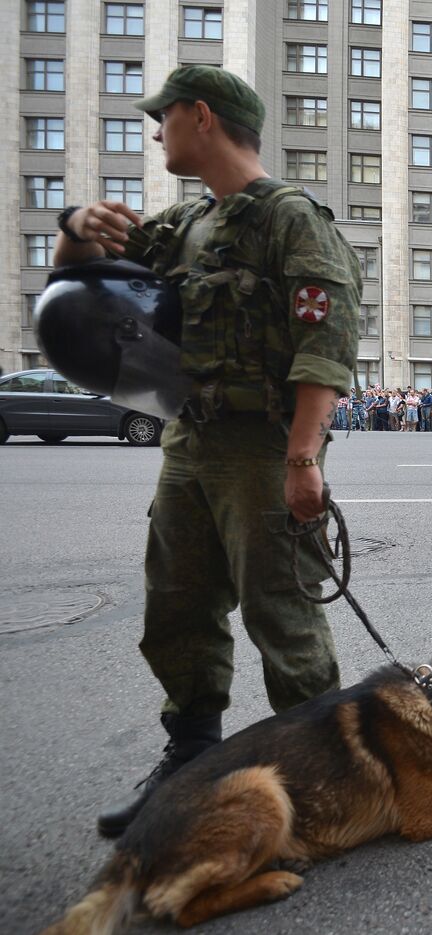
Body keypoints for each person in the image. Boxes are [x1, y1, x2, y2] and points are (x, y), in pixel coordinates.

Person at [52, 65, 361, 839]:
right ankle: (189, 762)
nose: (156, 133)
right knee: (177, 603)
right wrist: (74, 227)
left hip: (263, 446)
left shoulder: (290, 217)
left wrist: (302, 459)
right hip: (188, 439)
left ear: (202, 117)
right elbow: (80, 286)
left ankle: (323, 778)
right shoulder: (184, 226)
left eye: (164, 118)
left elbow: (327, 344)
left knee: (282, 613)